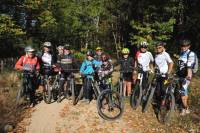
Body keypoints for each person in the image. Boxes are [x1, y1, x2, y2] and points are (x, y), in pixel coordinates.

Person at [177, 39, 196, 115]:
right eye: (182, 46)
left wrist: (188, 76)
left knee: (182, 92)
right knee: (180, 90)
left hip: (187, 76)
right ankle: (181, 105)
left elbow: (189, 66)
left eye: (185, 46)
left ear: (189, 46)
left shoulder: (191, 54)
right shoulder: (181, 53)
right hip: (180, 74)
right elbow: (180, 65)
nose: (183, 47)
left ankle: (186, 108)